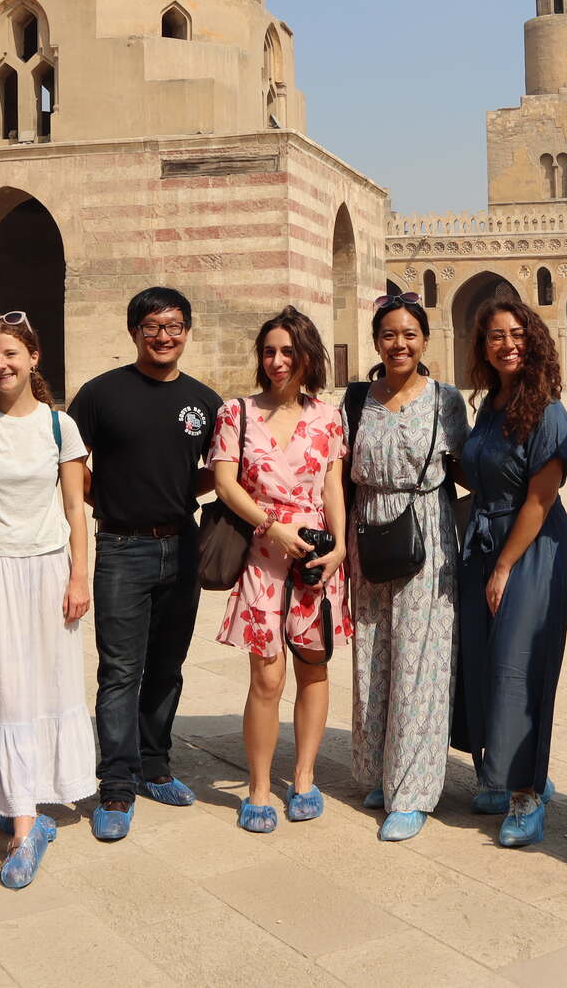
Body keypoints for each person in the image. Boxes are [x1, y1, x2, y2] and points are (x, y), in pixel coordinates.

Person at [0, 312, 96, 889]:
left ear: (33, 358)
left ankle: (29, 796)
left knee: (50, 684)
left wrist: (80, 577)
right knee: (4, 689)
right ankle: (24, 824)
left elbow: (76, 510)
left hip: (50, 569)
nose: (1, 365)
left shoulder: (61, 427)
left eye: (10, 354)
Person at [67, 286, 222, 840]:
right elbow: (71, 463)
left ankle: (155, 764)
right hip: (121, 549)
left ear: (186, 331)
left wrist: (181, 492)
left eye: (174, 326)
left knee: (166, 666)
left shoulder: (204, 402)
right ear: (134, 333)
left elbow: (218, 472)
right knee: (120, 671)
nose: (164, 336)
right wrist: (109, 501)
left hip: (181, 544)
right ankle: (116, 783)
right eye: (152, 327)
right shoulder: (100, 395)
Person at [209, 307, 350, 832]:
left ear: (308, 355)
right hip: (264, 556)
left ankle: (306, 777)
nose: (277, 361)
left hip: (315, 556)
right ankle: (260, 787)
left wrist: (337, 548)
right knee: (266, 677)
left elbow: (333, 486)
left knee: (314, 666)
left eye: (288, 351)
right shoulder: (236, 413)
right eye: (269, 351)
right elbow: (226, 485)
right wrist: (273, 527)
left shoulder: (328, 417)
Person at [346, 292, 468, 842]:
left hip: (427, 532)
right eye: (389, 335)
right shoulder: (355, 400)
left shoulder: (445, 400)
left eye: (410, 335)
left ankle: (413, 791)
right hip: (369, 530)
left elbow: (469, 466)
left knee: (421, 657)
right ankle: (378, 771)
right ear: (377, 341)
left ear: (425, 340)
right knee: (373, 652)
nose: (400, 344)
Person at [453, 299, 567, 848]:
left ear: (535, 341)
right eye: (496, 335)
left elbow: (540, 499)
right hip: (484, 539)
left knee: (519, 668)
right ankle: (506, 774)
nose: (507, 344)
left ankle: (527, 796)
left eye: (517, 334)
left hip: (530, 549)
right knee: (483, 660)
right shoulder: (492, 406)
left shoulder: (547, 412)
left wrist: (504, 565)